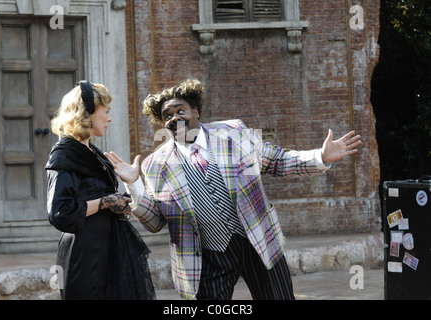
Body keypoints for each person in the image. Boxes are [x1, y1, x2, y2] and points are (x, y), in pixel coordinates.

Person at [106, 79, 362, 300]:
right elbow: (155, 222)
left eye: (179, 110)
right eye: (167, 116)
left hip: (258, 242)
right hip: (207, 255)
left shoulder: (235, 133)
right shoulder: (155, 165)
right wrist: (133, 184)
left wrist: (320, 156)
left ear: (196, 111)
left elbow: (276, 161)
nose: (174, 118)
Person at [45, 80, 155, 300]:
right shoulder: (64, 153)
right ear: (88, 113)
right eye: (106, 111)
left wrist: (130, 183)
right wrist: (105, 203)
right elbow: (60, 213)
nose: (110, 118)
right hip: (86, 255)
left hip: (106, 248)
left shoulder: (91, 151)